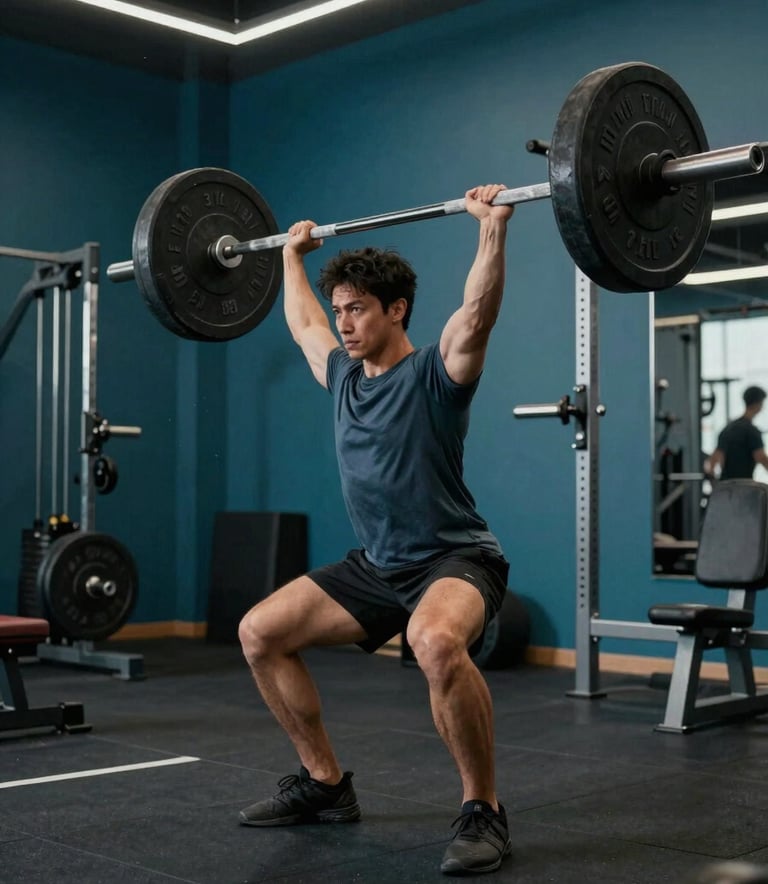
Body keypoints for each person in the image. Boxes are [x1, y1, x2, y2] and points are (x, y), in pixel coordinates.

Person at [237, 184, 515, 876]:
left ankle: (484, 809)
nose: (344, 323)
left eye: (357, 308)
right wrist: (291, 259)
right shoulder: (342, 378)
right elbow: (303, 326)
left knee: (434, 640)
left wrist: (491, 229)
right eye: (342, 310)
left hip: (455, 558)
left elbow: (475, 315)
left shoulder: (436, 374)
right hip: (377, 565)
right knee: (259, 633)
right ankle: (326, 784)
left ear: (397, 310)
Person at [706, 385, 768, 480]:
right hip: (744, 485)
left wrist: (713, 483)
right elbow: (761, 458)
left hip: (726, 485)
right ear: (757, 404)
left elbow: (713, 460)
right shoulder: (751, 431)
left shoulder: (728, 428)